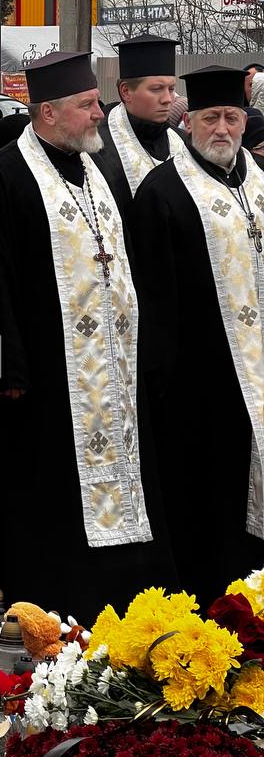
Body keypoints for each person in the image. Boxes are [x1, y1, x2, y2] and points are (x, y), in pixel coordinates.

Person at [0, 51, 173, 622]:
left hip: (114, 373)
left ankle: (124, 605)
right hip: (45, 382)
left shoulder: (97, 172)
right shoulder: (3, 177)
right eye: (85, 105)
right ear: (47, 112)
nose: (98, 114)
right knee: (49, 502)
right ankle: (56, 610)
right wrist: (5, 369)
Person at [132, 66, 264, 607]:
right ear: (188, 122)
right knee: (205, 504)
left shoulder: (258, 182)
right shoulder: (162, 191)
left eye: (232, 118)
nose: (223, 129)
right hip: (197, 384)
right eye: (211, 118)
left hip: (257, 379)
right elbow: (153, 298)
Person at [94, 34, 184, 215]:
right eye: (156, 89)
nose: (168, 99)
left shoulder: (184, 142)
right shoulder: (97, 147)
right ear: (126, 91)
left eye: (171, 89)